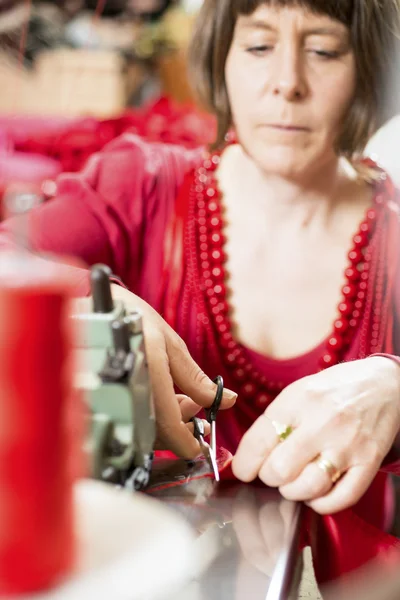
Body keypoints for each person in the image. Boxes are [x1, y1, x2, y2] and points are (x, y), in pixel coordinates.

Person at [1, 0, 400, 581]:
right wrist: (87, 307)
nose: (286, 83)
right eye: (260, 46)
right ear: (224, 57)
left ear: (371, 67)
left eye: (322, 50)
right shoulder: (140, 189)